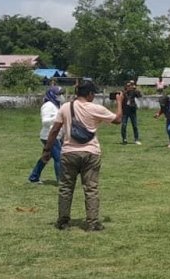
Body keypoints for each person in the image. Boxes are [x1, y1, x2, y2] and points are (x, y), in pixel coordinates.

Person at [41, 80, 122, 231]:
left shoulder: (65, 107)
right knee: (91, 189)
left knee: (66, 188)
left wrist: (47, 150)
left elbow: (54, 130)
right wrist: (119, 102)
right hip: (90, 152)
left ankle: (63, 221)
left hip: (69, 152)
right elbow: (117, 120)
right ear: (90, 94)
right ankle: (92, 223)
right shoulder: (95, 108)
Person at [28, 86, 64, 184]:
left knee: (46, 157)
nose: (61, 96)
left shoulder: (58, 105)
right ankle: (61, 180)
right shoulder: (48, 105)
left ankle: (34, 177)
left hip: (57, 135)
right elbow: (45, 122)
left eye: (61, 94)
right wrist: (58, 117)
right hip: (49, 136)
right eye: (59, 94)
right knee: (59, 157)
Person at [120, 80, 142, 145]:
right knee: (124, 125)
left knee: (135, 125)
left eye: (131, 85)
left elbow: (139, 95)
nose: (130, 87)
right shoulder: (123, 92)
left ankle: (136, 139)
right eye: (129, 85)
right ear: (126, 86)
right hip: (125, 110)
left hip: (132, 110)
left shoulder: (134, 92)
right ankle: (124, 139)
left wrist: (135, 89)